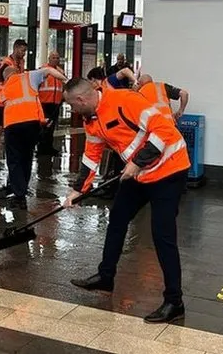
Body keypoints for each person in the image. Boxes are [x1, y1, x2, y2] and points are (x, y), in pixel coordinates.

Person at [62, 78, 190, 323]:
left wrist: (137, 162)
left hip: (169, 170)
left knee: (162, 235)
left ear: (81, 100)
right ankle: (105, 276)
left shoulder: (124, 100)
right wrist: (79, 190)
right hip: (140, 173)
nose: (72, 111)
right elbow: (92, 156)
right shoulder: (91, 119)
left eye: (71, 106)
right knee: (118, 219)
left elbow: (164, 129)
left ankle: (174, 301)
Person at [0, 65, 68, 208]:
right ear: (17, 72)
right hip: (32, 125)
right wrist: (66, 80)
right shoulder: (28, 77)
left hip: (12, 126)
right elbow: (49, 71)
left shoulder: (3, 88)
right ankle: (19, 188)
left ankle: (19, 195)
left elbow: (4, 108)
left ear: (4, 77)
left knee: (14, 160)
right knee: (26, 158)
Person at [0, 39, 28, 171]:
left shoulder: (21, 62)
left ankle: (7, 156)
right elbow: (2, 76)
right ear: (15, 48)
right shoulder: (7, 62)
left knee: (10, 129)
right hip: (2, 101)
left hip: (13, 101)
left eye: (25, 51)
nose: (24, 53)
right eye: (22, 50)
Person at [36, 51, 65, 157]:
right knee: (44, 127)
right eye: (53, 57)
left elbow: (62, 86)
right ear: (49, 59)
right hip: (44, 102)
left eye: (57, 58)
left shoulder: (60, 71)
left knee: (51, 127)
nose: (56, 59)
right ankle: (41, 149)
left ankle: (48, 148)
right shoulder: (43, 70)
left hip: (56, 103)